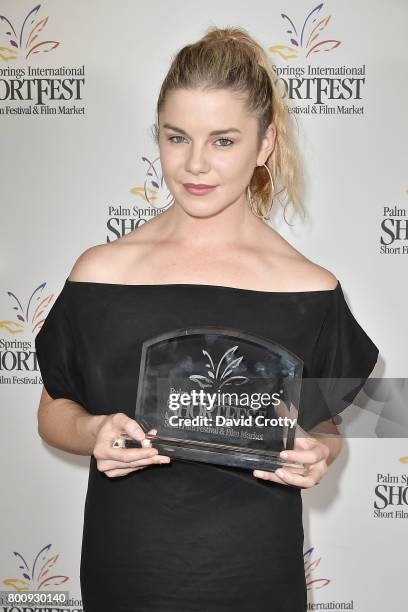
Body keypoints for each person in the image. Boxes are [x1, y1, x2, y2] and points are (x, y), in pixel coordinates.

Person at [35, 26, 379, 612]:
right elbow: (52, 411)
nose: (195, 164)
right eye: (177, 137)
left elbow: (327, 427)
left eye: (223, 141)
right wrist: (93, 433)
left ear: (265, 144)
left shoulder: (310, 288)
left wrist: (318, 451)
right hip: (128, 577)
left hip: (255, 577)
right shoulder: (100, 274)